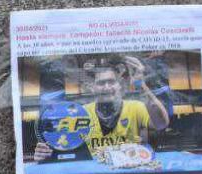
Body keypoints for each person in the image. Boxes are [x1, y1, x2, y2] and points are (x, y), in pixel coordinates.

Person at [34, 56, 170, 162]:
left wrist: (141, 85)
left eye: (111, 82)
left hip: (128, 172)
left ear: (120, 85)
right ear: (92, 88)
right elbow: (62, 145)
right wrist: (46, 153)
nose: (106, 87)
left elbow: (161, 123)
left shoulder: (136, 107)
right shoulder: (81, 113)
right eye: (100, 83)